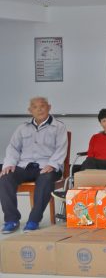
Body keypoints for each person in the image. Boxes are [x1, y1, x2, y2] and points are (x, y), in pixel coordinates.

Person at [1, 97, 68, 234]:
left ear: (49, 107)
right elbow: (13, 148)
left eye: (42, 106)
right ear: (30, 110)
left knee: (45, 179)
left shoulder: (59, 127)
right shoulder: (22, 128)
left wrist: (52, 164)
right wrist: (9, 164)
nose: (39, 109)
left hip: (48, 166)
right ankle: (11, 220)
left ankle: (33, 220)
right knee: (5, 177)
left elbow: (61, 148)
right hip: (24, 166)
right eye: (35, 107)